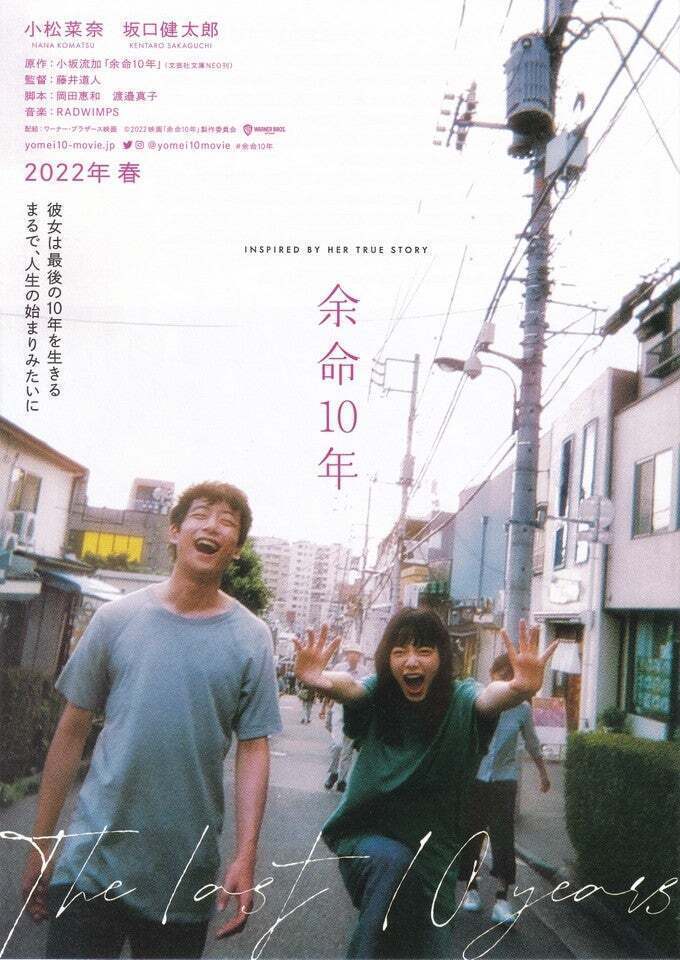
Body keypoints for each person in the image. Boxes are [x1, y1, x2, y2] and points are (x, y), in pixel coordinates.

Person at [21, 481, 282, 959]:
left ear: (237, 549)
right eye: (200, 514)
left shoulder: (252, 638)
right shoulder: (115, 618)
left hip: (182, 875)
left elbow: (253, 748)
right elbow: (71, 731)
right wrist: (41, 845)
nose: (212, 526)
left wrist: (246, 853)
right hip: (90, 865)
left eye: (227, 522)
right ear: (174, 531)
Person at [294, 608, 558, 959]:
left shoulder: (462, 700)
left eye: (424, 651)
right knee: (393, 865)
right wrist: (320, 678)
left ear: (442, 657)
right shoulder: (378, 695)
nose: (411, 661)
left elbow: (488, 698)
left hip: (435, 860)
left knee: (425, 945)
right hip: (367, 841)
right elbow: (351, 688)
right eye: (400, 651)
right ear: (388, 659)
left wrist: (517, 689)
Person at [458, 651, 551, 925]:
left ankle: (502, 899)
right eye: (503, 676)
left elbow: (532, 742)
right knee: (472, 835)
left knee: (503, 839)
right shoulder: (477, 699)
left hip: (504, 780)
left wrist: (543, 773)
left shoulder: (522, 708)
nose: (508, 683)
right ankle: (471, 889)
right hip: (475, 779)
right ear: (492, 675)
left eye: (512, 677)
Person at [324, 642, 364, 792]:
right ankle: (333, 773)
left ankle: (342, 779)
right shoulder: (338, 669)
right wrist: (325, 708)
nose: (353, 656)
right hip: (339, 708)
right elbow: (329, 688)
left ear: (359, 656)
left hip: (355, 711)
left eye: (356, 653)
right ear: (346, 655)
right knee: (337, 745)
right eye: (350, 653)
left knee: (347, 749)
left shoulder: (364, 672)